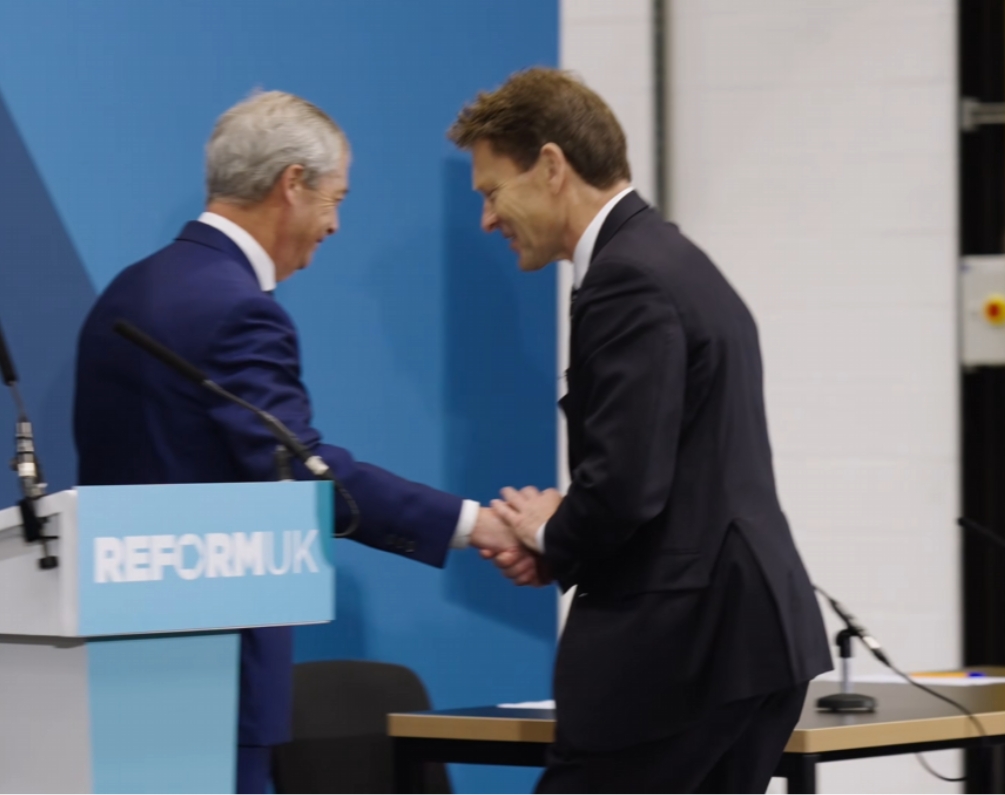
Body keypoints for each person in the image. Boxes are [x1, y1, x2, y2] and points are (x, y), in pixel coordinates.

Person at [73, 90, 540, 794]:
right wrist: (476, 525)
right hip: (215, 672)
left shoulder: (128, 292)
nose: (335, 224)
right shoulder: (237, 311)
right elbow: (305, 474)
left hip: (124, 665)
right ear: (291, 183)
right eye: (335, 198)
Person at [449, 68, 833, 793]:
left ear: (553, 167)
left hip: (680, 656)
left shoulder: (627, 279)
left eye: (492, 191)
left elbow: (626, 486)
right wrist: (563, 531)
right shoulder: (672, 259)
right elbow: (669, 466)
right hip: (741, 644)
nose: (488, 220)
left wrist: (550, 536)